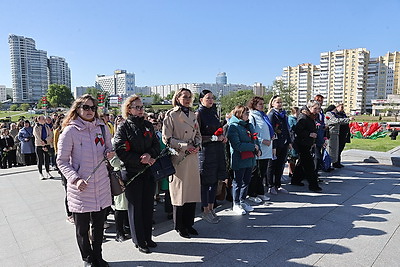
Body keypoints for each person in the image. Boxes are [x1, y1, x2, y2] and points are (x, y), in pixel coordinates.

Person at [57, 94, 114, 267]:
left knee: (99, 226)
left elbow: (109, 149)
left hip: (101, 185)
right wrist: (75, 179)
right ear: (77, 109)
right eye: (86, 107)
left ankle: (98, 256)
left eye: (93, 108)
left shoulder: (102, 127)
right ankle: (87, 258)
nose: (90, 111)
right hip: (81, 187)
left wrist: (110, 154)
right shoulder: (70, 131)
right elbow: (61, 160)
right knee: (82, 229)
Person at [113, 95, 160, 253]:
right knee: (136, 208)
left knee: (148, 206)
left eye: (142, 107)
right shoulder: (123, 127)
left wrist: (150, 155)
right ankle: (139, 240)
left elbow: (156, 145)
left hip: (148, 172)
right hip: (132, 172)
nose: (141, 110)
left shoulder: (148, 125)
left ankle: (148, 237)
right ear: (129, 109)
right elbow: (121, 151)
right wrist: (142, 160)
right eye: (137, 107)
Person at [162, 88, 201, 238]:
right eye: (184, 97)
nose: (187, 99)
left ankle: (189, 223)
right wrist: (185, 146)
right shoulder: (171, 115)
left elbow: (197, 133)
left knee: (191, 192)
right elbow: (167, 139)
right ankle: (179, 226)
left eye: (189, 97)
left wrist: (197, 144)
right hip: (179, 158)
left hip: (192, 157)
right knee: (180, 193)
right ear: (177, 98)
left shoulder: (193, 114)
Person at [197, 90, 227, 224]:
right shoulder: (199, 114)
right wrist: (214, 137)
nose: (210, 100)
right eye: (207, 98)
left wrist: (222, 138)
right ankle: (205, 210)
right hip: (206, 152)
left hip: (217, 151)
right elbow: (197, 136)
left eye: (212, 98)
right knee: (206, 182)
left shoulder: (214, 113)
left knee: (215, 181)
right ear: (201, 100)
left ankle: (211, 207)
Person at [227, 105, 260, 215]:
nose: (248, 116)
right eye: (246, 113)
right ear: (240, 114)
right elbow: (237, 145)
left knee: (247, 181)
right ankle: (236, 203)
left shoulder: (249, 125)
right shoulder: (233, 127)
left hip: (250, 158)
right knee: (238, 181)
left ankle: (242, 201)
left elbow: (254, 138)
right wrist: (252, 147)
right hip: (239, 158)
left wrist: (257, 148)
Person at [291, 100, 322, 192]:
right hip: (302, 143)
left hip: (307, 143)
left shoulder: (310, 116)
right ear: (309, 107)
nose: (317, 110)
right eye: (315, 108)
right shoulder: (303, 117)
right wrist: (309, 134)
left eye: (318, 108)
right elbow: (297, 130)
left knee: (302, 163)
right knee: (309, 165)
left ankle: (295, 180)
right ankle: (313, 185)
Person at [247, 96, 272, 203]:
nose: (262, 106)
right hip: (259, 147)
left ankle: (260, 192)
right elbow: (251, 133)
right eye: (260, 104)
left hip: (267, 148)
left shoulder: (263, 115)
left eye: (263, 103)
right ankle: (252, 193)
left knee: (262, 172)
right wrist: (262, 141)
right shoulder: (252, 116)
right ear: (254, 105)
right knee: (255, 172)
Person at [267, 96, 290, 195]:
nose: (279, 104)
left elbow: (286, 128)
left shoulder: (283, 114)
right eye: (277, 102)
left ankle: (278, 184)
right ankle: (270, 185)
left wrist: (289, 141)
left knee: (280, 165)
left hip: (283, 142)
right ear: (272, 103)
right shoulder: (272, 114)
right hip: (276, 143)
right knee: (272, 165)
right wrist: (274, 146)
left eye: (281, 102)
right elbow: (272, 131)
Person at [334, 103, 352, 168]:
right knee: (338, 149)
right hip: (339, 133)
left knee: (341, 148)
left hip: (344, 133)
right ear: (337, 107)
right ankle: (336, 162)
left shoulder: (343, 114)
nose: (342, 109)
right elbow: (339, 121)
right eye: (341, 107)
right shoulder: (336, 114)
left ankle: (338, 162)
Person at [287, 107, 300, 178]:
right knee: (292, 156)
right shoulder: (291, 119)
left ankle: (294, 171)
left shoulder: (296, 119)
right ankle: (291, 171)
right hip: (292, 139)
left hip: (296, 139)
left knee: (295, 156)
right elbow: (291, 129)